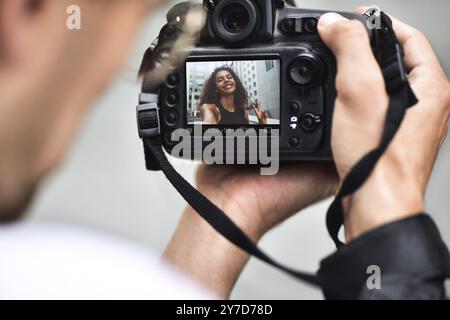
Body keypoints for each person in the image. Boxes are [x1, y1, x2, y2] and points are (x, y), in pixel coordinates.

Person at [0, 0, 448, 299]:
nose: (112, 72)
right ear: (20, 13)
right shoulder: (52, 275)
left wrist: (226, 211)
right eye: (127, 23)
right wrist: (385, 197)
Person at [198, 66, 268, 125]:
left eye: (229, 77)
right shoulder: (209, 108)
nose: (226, 80)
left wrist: (262, 122)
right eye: (220, 80)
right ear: (215, 88)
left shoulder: (243, 113)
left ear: (235, 82)